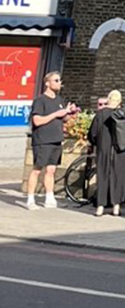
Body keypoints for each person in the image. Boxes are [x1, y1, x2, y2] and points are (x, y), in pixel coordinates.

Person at [27, 72, 77, 210]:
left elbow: (64, 119)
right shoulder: (40, 101)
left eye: (60, 80)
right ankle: (30, 199)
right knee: (37, 169)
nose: (59, 83)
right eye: (56, 80)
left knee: (51, 170)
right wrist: (56, 114)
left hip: (56, 139)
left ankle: (49, 198)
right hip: (43, 140)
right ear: (47, 83)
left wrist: (69, 113)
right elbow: (37, 121)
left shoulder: (60, 100)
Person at [88, 90, 125, 217]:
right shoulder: (124, 115)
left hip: (104, 148)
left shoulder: (100, 115)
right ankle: (116, 207)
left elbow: (93, 134)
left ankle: (100, 207)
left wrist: (96, 143)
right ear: (120, 101)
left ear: (108, 99)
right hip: (121, 150)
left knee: (103, 175)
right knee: (118, 177)